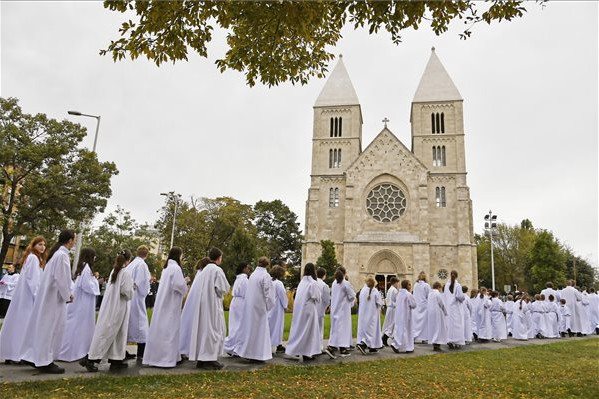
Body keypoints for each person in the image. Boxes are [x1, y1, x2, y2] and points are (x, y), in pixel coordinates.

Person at [20, 230, 75, 374]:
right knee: (52, 329)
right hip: (54, 300)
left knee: (44, 327)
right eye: (73, 240)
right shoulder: (62, 256)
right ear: (70, 240)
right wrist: (68, 295)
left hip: (48, 298)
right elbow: (62, 279)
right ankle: (45, 360)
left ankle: (36, 356)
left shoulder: (56, 255)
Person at [80, 250, 133, 372]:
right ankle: (91, 358)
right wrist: (132, 289)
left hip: (111, 306)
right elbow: (127, 292)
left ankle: (116, 359)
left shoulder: (115, 271)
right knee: (108, 332)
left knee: (116, 333)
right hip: (118, 307)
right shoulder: (125, 273)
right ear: (128, 260)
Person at [0, 236, 46, 364]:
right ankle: (17, 354)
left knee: (19, 324)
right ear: (34, 246)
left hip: (25, 297)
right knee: (23, 325)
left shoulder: (35, 258)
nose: (42, 247)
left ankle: (13, 354)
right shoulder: (33, 258)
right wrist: (38, 297)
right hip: (28, 298)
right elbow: (34, 281)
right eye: (39, 244)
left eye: (44, 245)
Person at [143, 247, 188, 368]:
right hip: (171, 304)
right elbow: (178, 285)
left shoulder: (166, 268)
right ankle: (167, 359)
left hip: (163, 302)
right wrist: (186, 282)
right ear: (178, 256)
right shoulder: (176, 268)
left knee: (161, 329)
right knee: (170, 330)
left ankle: (161, 356)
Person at [188, 248, 231, 370]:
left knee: (203, 330)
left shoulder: (204, 269)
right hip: (212, 305)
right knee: (213, 330)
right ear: (219, 258)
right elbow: (223, 288)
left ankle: (202, 358)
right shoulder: (217, 270)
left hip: (203, 305)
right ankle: (209, 358)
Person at [58, 248, 100, 362]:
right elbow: (87, 285)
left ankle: (78, 350)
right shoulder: (86, 268)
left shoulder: (83, 267)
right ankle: (70, 352)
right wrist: (96, 280)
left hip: (82, 301)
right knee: (77, 325)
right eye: (94, 256)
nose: (95, 258)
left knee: (79, 325)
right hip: (83, 302)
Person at [286, 263, 332, 361]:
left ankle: (301, 351)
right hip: (309, 310)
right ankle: (308, 353)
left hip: (300, 309)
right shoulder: (312, 282)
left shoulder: (302, 282)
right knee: (309, 332)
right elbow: (316, 297)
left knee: (301, 330)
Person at [235, 257, 275, 362]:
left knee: (250, 330)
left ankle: (249, 352)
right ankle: (257, 355)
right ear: (267, 265)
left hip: (250, 306)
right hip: (259, 307)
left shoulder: (253, 275)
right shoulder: (265, 276)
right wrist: (269, 306)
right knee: (259, 331)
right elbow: (269, 293)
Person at [180, 257, 210, 359]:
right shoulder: (203, 274)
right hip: (196, 304)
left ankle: (185, 348)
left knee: (187, 326)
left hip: (191, 304)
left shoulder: (199, 273)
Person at [126, 245, 152, 359]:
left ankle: (122, 351)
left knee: (128, 323)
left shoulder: (131, 264)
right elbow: (142, 283)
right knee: (141, 324)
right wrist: (146, 291)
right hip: (137, 298)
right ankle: (141, 352)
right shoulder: (142, 265)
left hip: (129, 297)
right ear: (147, 255)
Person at [223, 262, 250, 355]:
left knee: (234, 326)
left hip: (235, 302)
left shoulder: (238, 279)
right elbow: (248, 293)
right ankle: (237, 347)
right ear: (244, 269)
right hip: (242, 303)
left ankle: (231, 346)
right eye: (247, 268)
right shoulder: (245, 280)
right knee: (240, 326)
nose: (248, 269)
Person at [327, 267, 355, 357]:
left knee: (336, 328)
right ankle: (334, 348)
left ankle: (338, 347)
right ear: (345, 273)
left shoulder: (334, 283)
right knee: (343, 329)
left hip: (335, 308)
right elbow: (351, 296)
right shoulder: (345, 283)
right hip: (343, 309)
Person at [356, 277, 383, 354]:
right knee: (372, 331)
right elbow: (380, 303)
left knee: (364, 329)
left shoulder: (363, 290)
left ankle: (373, 347)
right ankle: (363, 345)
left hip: (363, 314)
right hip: (372, 314)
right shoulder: (375, 291)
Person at [390, 279, 416, 353]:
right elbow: (414, 305)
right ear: (406, 286)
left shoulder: (399, 294)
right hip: (406, 315)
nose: (410, 286)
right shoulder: (408, 294)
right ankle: (405, 347)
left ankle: (397, 344)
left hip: (399, 315)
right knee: (406, 331)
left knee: (399, 330)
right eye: (409, 284)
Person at [268, 265, 288, 354]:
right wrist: (285, 306)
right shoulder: (278, 283)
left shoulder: (269, 282)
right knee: (278, 326)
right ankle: (278, 345)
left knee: (269, 326)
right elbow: (282, 295)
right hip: (277, 308)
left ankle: (268, 343)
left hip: (269, 307)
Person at [444, 270, 465, 349]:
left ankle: (449, 340)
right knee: (457, 324)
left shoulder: (446, 285)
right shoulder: (457, 285)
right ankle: (457, 341)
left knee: (449, 324)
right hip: (456, 308)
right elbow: (460, 296)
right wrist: (463, 299)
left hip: (448, 308)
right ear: (457, 276)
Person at [427, 281, 448, 352]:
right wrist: (445, 312)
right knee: (439, 328)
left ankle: (434, 344)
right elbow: (441, 304)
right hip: (437, 313)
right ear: (439, 287)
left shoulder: (430, 293)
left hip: (430, 313)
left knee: (433, 328)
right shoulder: (437, 293)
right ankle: (437, 345)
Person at [412, 272, 430, 343]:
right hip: (424, 305)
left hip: (416, 305)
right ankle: (424, 338)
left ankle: (413, 336)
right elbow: (429, 295)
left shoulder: (415, 285)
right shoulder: (426, 285)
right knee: (424, 322)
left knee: (416, 321)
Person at [381, 277, 399, 346]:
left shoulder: (390, 289)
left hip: (389, 308)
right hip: (393, 309)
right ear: (395, 282)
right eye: (397, 283)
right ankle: (385, 338)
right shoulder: (394, 290)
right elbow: (396, 300)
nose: (398, 284)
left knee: (388, 324)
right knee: (391, 324)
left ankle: (385, 338)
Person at [316, 267, 331, 345]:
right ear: (324, 275)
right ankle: (319, 346)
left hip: (313, 308)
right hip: (320, 309)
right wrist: (327, 306)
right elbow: (327, 299)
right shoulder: (324, 285)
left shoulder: (314, 282)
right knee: (319, 328)